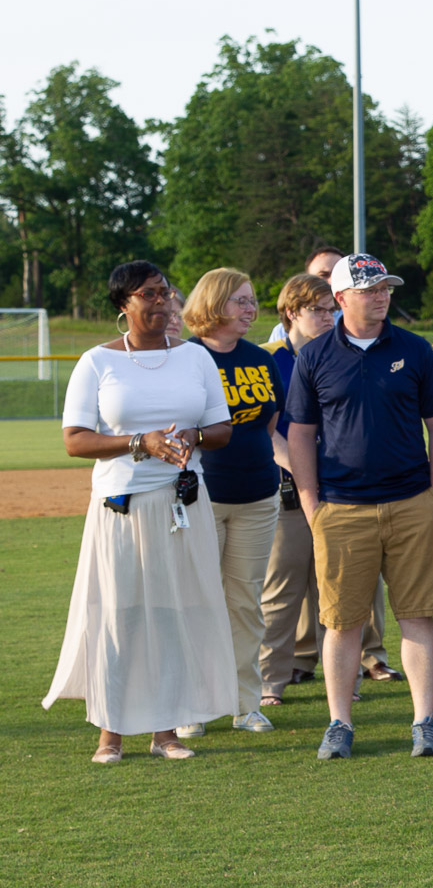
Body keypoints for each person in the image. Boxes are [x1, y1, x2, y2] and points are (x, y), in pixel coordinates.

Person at [45, 261, 235, 762]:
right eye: (148, 294)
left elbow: (221, 428)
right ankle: (110, 733)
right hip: (119, 508)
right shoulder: (96, 362)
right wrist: (139, 443)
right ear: (123, 304)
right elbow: (74, 440)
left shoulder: (195, 359)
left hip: (182, 506)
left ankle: (165, 731)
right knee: (118, 615)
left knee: (173, 614)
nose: (161, 301)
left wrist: (191, 436)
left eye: (165, 292)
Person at [286, 253, 433, 760]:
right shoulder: (314, 355)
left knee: (418, 616)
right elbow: (300, 434)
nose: (381, 295)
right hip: (341, 508)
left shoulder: (414, 348)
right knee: (342, 622)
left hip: (411, 504)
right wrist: (311, 503)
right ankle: (340, 723)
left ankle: (424, 722)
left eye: (385, 287)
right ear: (341, 298)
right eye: (368, 289)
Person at [258, 274, 395, 703]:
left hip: (341, 491)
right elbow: (268, 430)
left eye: (328, 309)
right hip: (289, 489)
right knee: (282, 591)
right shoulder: (271, 358)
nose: (325, 317)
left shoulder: (343, 352)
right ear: (290, 312)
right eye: (315, 309)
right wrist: (302, 475)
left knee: (339, 590)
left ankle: (345, 679)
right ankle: (269, 682)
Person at [181, 268, 286, 738]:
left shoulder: (259, 358)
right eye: (241, 301)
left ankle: (246, 701)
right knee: (197, 601)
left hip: (257, 495)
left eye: (252, 300)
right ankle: (192, 704)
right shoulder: (185, 358)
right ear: (214, 303)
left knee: (245, 602)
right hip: (203, 495)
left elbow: (269, 423)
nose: (251, 309)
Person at [267, 247, 345, 344]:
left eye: (337, 275)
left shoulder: (358, 325)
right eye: (323, 275)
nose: (331, 281)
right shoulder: (281, 332)